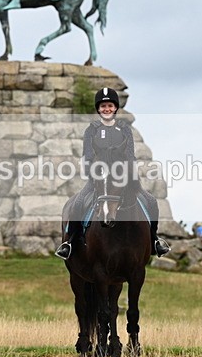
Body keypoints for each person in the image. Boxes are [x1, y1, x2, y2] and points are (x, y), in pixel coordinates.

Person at [54, 87, 170, 260]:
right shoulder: (91, 130)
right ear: (98, 109)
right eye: (103, 106)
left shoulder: (124, 130)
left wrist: (126, 174)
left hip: (122, 179)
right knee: (77, 203)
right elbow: (87, 156)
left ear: (115, 108)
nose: (106, 109)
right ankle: (70, 243)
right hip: (99, 179)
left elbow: (130, 155)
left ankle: (154, 240)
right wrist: (94, 173)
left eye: (109, 106)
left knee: (151, 201)